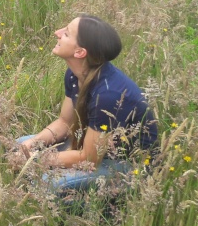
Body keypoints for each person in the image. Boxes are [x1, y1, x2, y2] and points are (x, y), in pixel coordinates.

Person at [13, 14, 158, 193]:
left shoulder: (108, 95)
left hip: (127, 163)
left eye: (66, 33)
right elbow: (65, 123)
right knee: (21, 144)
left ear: (80, 52)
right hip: (93, 146)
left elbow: (89, 158)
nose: (57, 33)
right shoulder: (75, 74)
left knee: (49, 183)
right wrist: (32, 145)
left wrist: (36, 159)